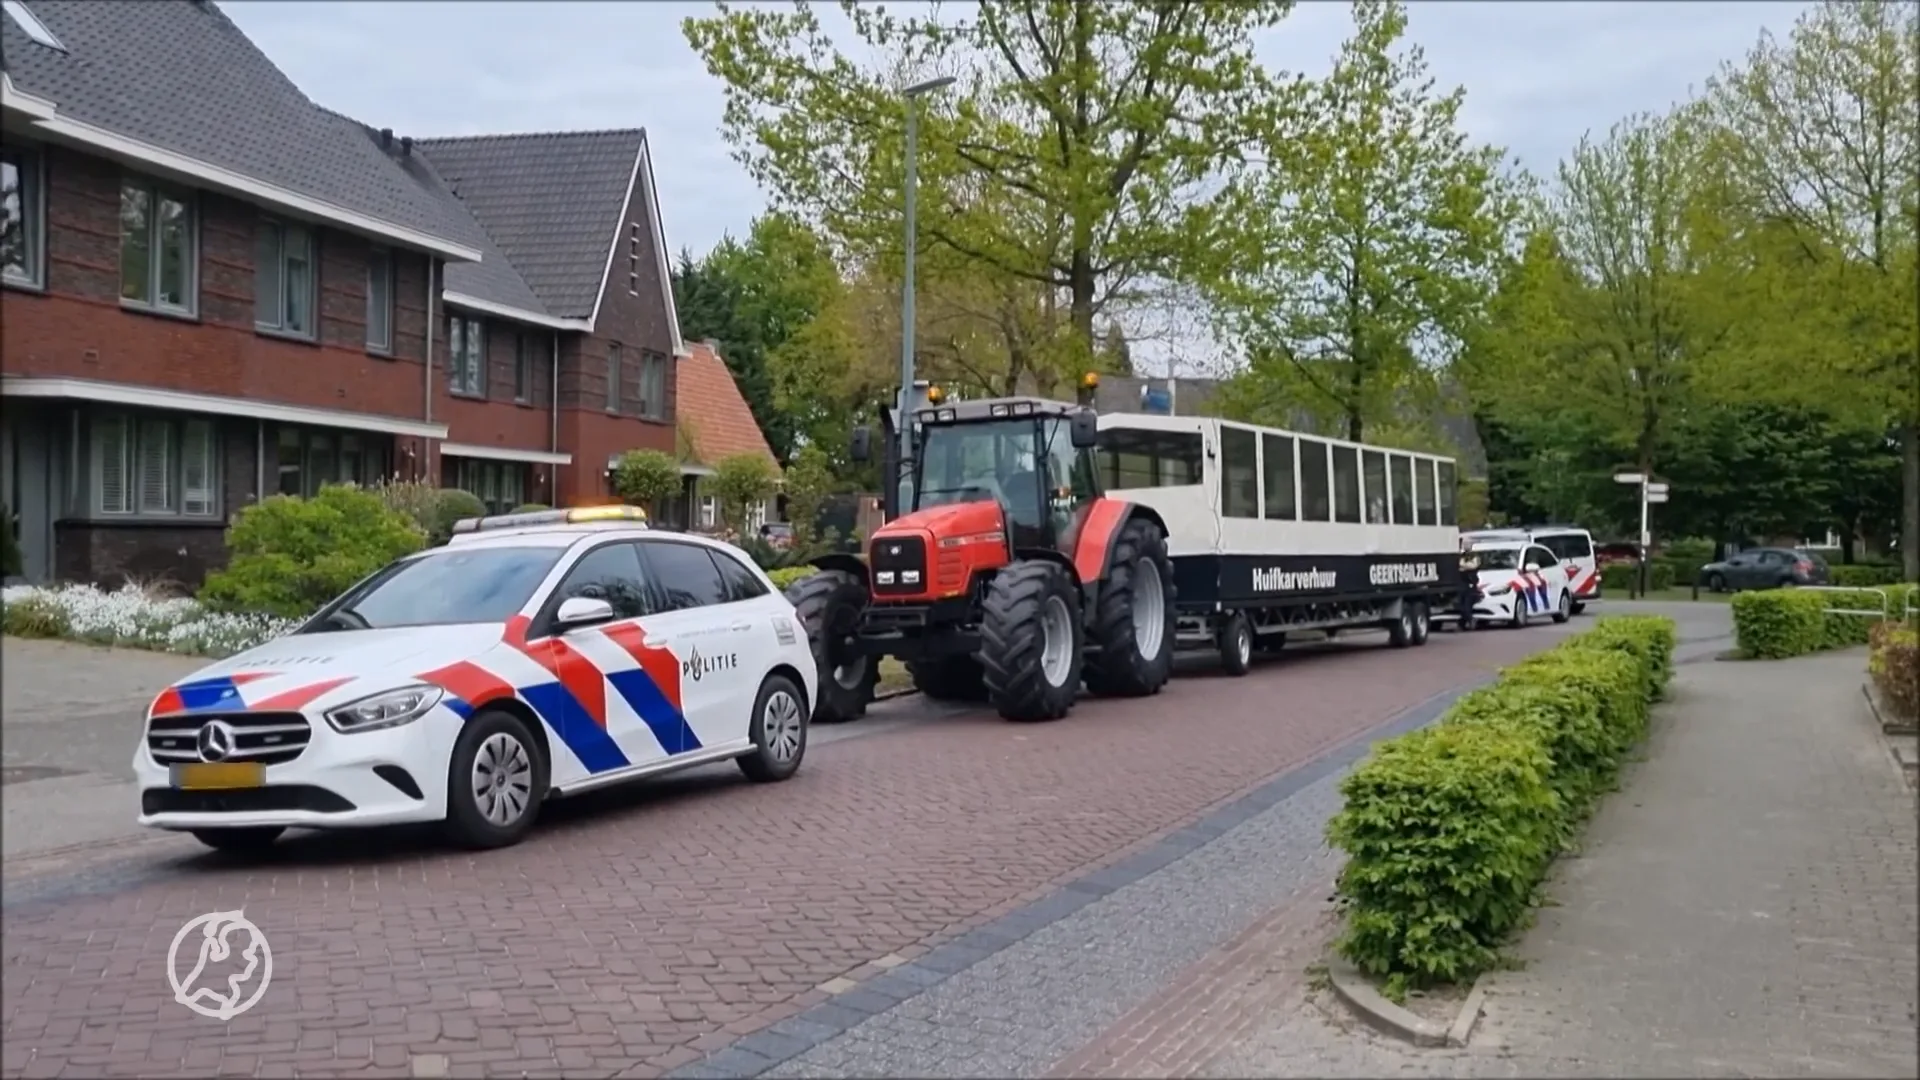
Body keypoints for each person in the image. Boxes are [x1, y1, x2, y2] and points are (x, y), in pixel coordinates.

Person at [1456, 538, 1481, 631]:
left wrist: (1464, 566)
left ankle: (1469, 621)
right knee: (1461, 605)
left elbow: (1473, 566)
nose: (1465, 545)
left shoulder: (1475, 556)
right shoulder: (1461, 555)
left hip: (1471, 584)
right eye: (1464, 544)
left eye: (1467, 544)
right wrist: (1465, 565)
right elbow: (1459, 565)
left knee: (1467, 605)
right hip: (1462, 583)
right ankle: (1464, 623)